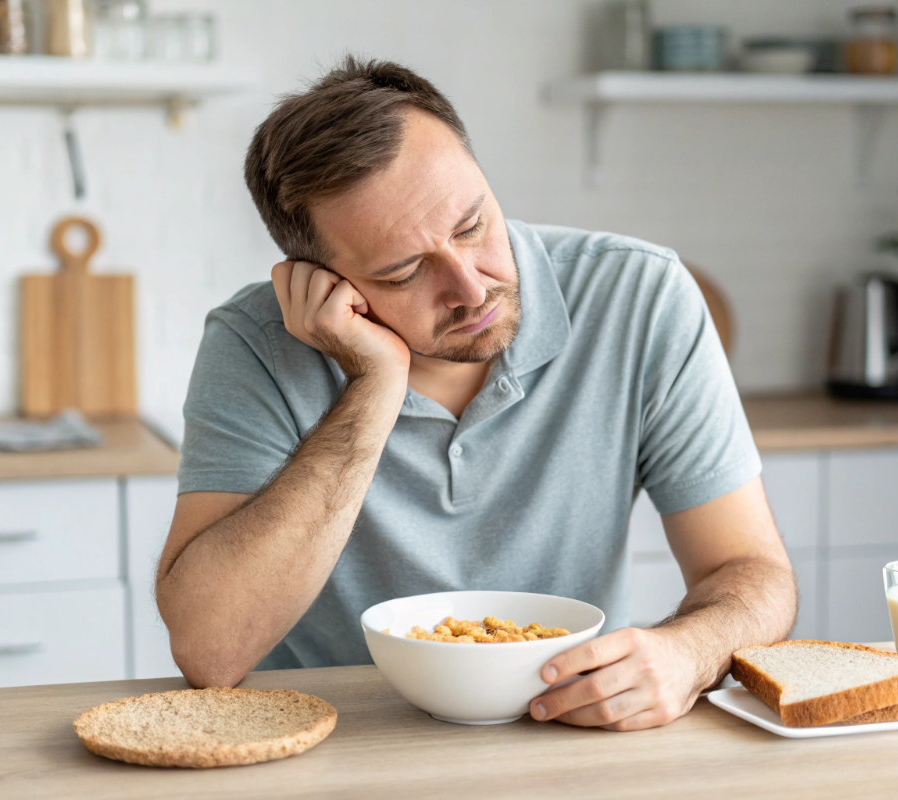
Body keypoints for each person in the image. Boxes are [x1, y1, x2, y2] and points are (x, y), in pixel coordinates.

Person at [156, 57, 796, 732]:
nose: (471, 288)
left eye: (472, 226)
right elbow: (211, 651)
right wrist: (373, 386)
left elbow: (751, 571)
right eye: (404, 272)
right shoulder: (255, 343)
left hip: (571, 729)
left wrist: (688, 653)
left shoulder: (640, 295)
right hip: (339, 740)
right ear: (324, 282)